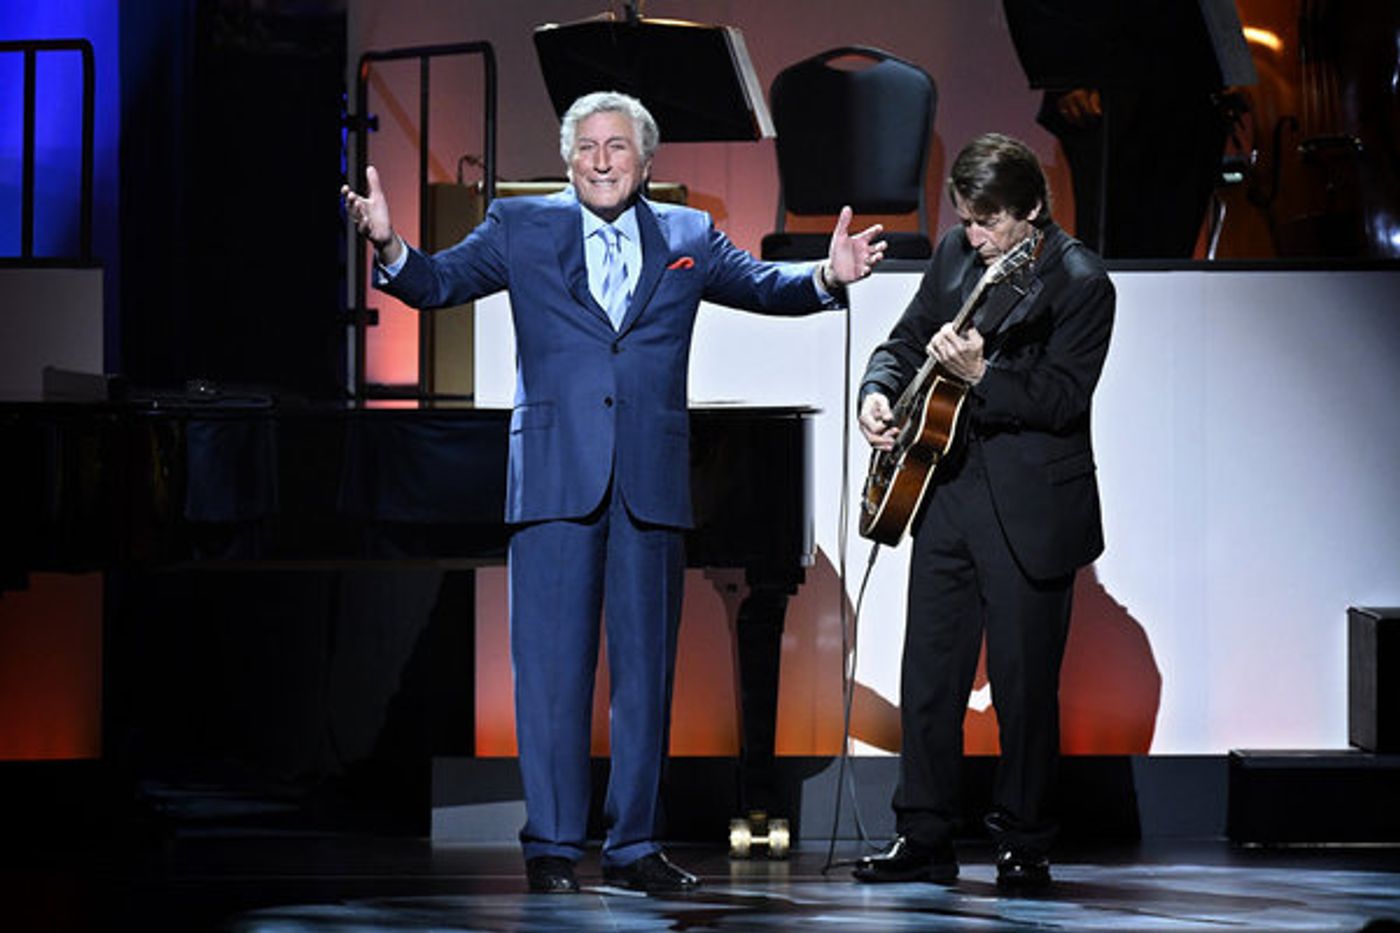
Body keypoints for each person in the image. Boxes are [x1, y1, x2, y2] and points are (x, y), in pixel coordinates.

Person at [342, 90, 885, 894]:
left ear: (646, 161)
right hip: (557, 479)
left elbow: (765, 286)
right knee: (552, 675)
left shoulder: (689, 236)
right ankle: (553, 845)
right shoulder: (520, 228)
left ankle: (635, 846)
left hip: (650, 484)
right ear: (568, 159)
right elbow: (438, 283)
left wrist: (825, 276)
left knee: (645, 675)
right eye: (587, 146)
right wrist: (388, 244)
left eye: (618, 147)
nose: (601, 160)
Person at [851, 133, 1113, 889]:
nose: (975, 234)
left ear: (1031, 207)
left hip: (1031, 507)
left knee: (1024, 685)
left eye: (989, 220)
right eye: (967, 218)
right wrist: (877, 390)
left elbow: (1063, 397)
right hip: (948, 486)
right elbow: (903, 342)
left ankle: (1024, 840)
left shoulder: (1080, 280)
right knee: (929, 673)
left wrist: (982, 376)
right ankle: (924, 833)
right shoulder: (954, 255)